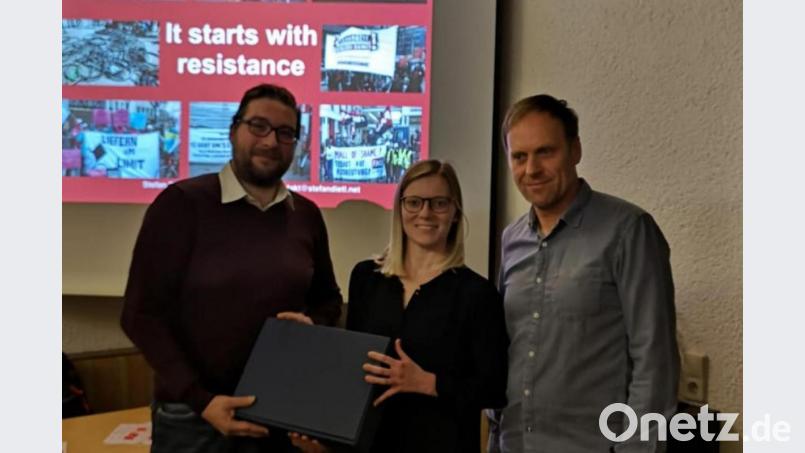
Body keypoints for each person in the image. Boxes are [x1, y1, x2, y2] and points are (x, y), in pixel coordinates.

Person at [121, 83, 342, 453]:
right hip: (195, 419)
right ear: (233, 130)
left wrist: (313, 327)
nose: (271, 141)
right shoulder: (180, 205)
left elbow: (328, 299)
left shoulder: (305, 215)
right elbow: (140, 315)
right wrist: (201, 400)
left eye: (285, 132)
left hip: (282, 416)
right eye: (258, 126)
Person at [487, 94, 679, 452]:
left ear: (575, 150)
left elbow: (654, 361)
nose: (532, 169)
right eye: (519, 156)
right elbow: (508, 352)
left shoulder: (628, 231)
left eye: (546, 152)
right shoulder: (512, 239)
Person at [291, 160, 509, 453]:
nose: (425, 213)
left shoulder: (478, 294)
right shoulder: (366, 278)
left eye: (439, 203)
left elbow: (495, 388)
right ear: (400, 209)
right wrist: (316, 337)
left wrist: (430, 383)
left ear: (455, 212)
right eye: (414, 202)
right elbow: (357, 374)